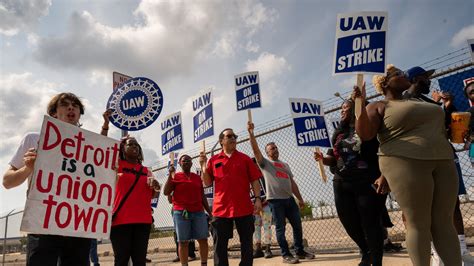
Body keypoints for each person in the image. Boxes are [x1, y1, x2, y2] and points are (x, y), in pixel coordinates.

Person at [353, 64, 462, 265]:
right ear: (385, 83)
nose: (404, 75)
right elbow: (366, 134)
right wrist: (359, 105)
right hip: (405, 163)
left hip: (443, 160)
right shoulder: (378, 106)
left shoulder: (419, 100)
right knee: (419, 223)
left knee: (444, 222)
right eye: (398, 74)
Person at [2, 92, 91, 266]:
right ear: (54, 113)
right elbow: (7, 181)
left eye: (75, 105)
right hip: (43, 222)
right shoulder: (34, 139)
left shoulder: (92, 149)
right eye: (64, 104)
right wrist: (29, 167)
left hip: (77, 225)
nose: (71, 107)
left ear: (80, 113)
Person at [405, 66, 474, 264]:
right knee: (427, 207)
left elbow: (448, 129)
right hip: (422, 159)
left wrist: (449, 107)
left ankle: (461, 250)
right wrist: (435, 104)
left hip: (445, 155)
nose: (430, 82)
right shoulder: (404, 102)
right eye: (427, 78)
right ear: (417, 79)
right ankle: (437, 253)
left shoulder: (431, 102)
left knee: (453, 203)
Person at [314, 99, 385, 266]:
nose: (342, 111)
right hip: (341, 182)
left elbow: (383, 150)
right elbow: (333, 158)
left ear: (357, 109)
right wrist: (323, 159)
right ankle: (365, 250)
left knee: (371, 223)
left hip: (366, 181)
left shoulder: (369, 126)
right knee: (349, 222)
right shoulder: (339, 132)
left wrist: (384, 174)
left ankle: (376, 261)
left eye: (346, 108)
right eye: (341, 108)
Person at [248, 123, 315, 264]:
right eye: (272, 149)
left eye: (276, 147)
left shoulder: (285, 165)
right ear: (267, 153)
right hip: (275, 201)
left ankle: (299, 251)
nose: (275, 149)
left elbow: (293, 183)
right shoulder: (265, 164)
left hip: (289, 199)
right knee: (280, 228)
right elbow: (255, 151)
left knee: (297, 225)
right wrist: (251, 134)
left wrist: (300, 199)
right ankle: (286, 254)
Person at [199, 128, 263, 266]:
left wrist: (257, 198)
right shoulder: (214, 160)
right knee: (219, 245)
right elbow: (207, 182)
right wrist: (203, 166)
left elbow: (255, 180)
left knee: (246, 243)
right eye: (229, 136)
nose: (233, 138)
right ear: (221, 141)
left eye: (234, 135)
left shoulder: (245, 158)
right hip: (221, 208)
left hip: (244, 206)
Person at [109, 136, 160, 266]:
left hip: (143, 220)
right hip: (120, 220)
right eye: (130, 144)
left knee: (139, 260)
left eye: (136, 145)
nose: (134, 147)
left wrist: (155, 186)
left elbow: (152, 195)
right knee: (121, 259)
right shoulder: (116, 166)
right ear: (122, 148)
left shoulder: (146, 171)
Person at [164, 154, 212, 266]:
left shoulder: (197, 177)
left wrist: (210, 212)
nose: (186, 162)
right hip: (181, 213)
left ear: (191, 163)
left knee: (203, 239)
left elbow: (202, 196)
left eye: (188, 160)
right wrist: (170, 176)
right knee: (183, 242)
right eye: (183, 161)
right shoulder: (175, 176)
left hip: (198, 212)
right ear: (180, 164)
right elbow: (166, 192)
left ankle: (204, 263)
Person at [250, 165, 273, 259]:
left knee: (267, 225)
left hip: (265, 204)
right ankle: (258, 248)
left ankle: (268, 248)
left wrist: (267, 198)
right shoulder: (248, 178)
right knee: (256, 227)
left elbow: (269, 187)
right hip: (254, 206)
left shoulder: (263, 175)